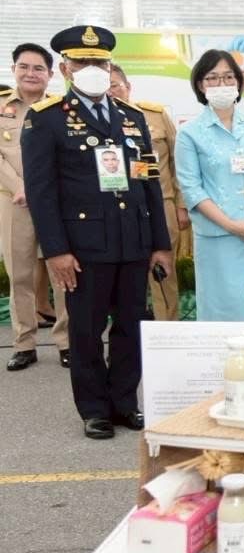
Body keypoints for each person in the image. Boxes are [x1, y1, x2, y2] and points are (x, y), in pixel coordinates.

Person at [22, 25, 172, 438]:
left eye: (100, 62)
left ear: (110, 67)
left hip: (132, 242)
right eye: (84, 62)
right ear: (67, 68)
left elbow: (148, 182)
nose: (93, 69)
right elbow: (41, 192)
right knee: (86, 330)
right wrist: (55, 251)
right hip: (83, 247)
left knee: (131, 326)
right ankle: (94, 409)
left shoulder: (132, 118)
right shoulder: (46, 119)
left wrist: (159, 242)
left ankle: (124, 402)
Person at [175, 50, 244, 322]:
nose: (222, 85)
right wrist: (231, 225)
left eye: (228, 77)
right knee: (228, 313)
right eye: (213, 78)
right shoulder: (190, 133)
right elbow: (192, 189)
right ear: (200, 84)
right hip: (218, 237)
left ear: (239, 83)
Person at [1, 42, 69, 370]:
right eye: (24, 67)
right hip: (13, 202)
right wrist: (21, 187)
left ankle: (66, 341)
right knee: (20, 274)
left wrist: (40, 188)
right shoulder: (1, 107)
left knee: (63, 272)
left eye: (38, 68)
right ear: (14, 69)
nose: (31, 73)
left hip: (57, 201)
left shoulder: (62, 109)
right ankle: (24, 343)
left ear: (50, 74)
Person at [109, 63, 188, 320]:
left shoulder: (153, 115)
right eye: (104, 87)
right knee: (121, 276)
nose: (111, 92)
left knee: (163, 273)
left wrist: (181, 204)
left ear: (127, 87)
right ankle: (130, 335)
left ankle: (168, 330)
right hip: (114, 208)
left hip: (160, 204)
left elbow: (179, 162)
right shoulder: (88, 124)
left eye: (115, 86)